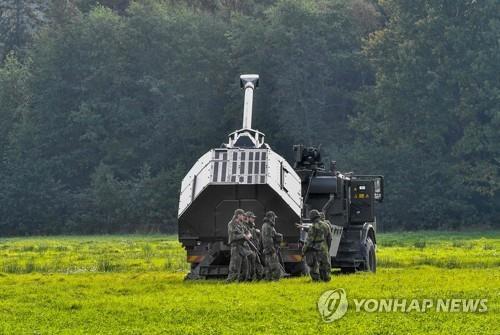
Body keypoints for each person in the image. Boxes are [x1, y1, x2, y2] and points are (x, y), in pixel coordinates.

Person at [303, 209, 332, 282]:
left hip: (315, 249)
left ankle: (316, 280)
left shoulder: (313, 227)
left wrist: (304, 250)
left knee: (314, 266)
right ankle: (326, 279)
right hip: (324, 248)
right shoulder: (326, 225)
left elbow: (309, 240)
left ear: (312, 218)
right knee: (325, 265)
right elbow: (329, 238)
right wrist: (328, 248)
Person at [226, 209, 252, 282]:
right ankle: (230, 282)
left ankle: (242, 282)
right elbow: (233, 236)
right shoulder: (231, 224)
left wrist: (248, 235)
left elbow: (248, 232)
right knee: (235, 267)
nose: (243, 217)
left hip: (243, 247)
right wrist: (243, 236)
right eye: (242, 215)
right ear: (238, 215)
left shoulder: (242, 224)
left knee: (245, 267)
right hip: (236, 247)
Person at [261, 211, 283, 281]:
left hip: (267, 249)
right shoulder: (268, 226)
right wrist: (272, 249)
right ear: (271, 217)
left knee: (268, 267)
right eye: (274, 217)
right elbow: (268, 239)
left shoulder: (266, 225)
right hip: (270, 249)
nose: (274, 219)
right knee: (275, 266)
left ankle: (268, 280)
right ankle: (275, 281)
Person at [245, 211, 264, 280]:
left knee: (257, 263)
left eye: (253, 218)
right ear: (248, 218)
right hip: (249, 250)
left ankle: (259, 278)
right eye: (252, 218)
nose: (253, 219)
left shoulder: (252, 227)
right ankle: (249, 279)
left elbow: (256, 238)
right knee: (250, 265)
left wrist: (258, 233)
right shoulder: (245, 227)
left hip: (255, 249)